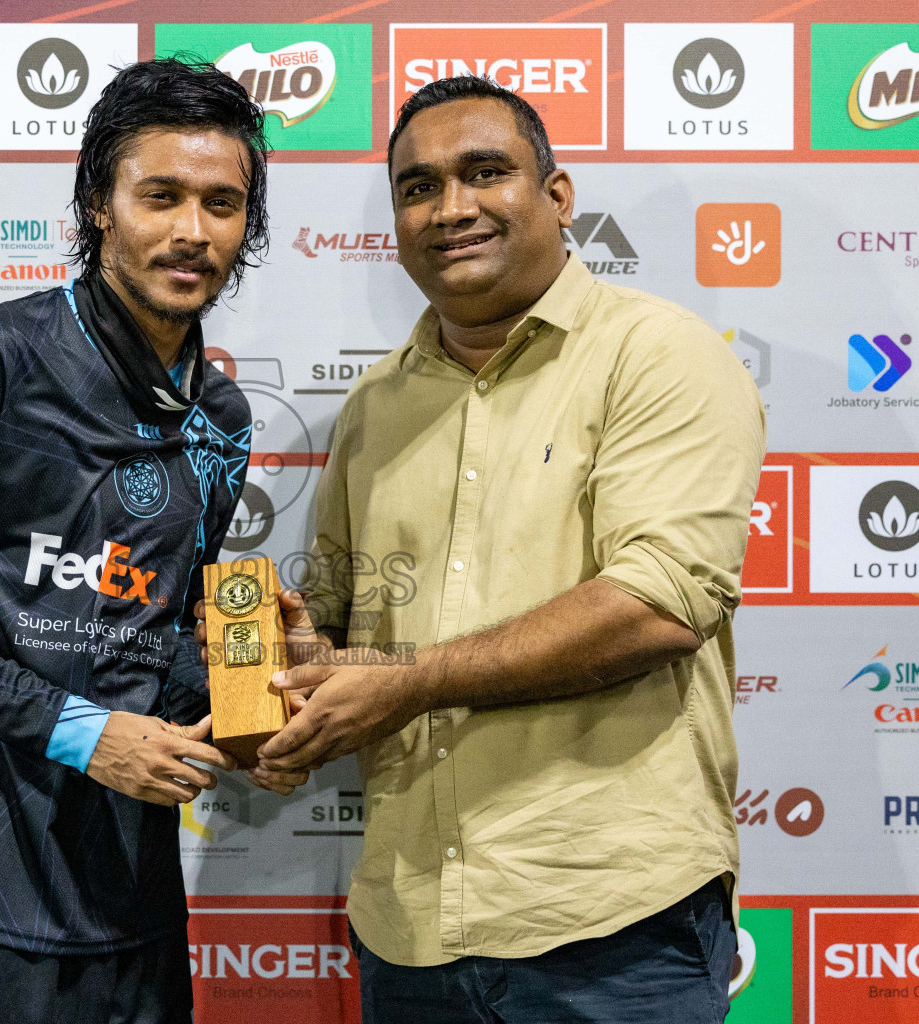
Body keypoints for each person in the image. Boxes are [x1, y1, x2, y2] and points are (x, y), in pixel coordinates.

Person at [256, 75, 767, 1023]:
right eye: (418, 188)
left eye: (485, 173)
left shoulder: (659, 355)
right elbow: (346, 623)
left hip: (612, 928)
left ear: (558, 197)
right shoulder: (374, 407)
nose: (451, 208)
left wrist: (405, 680)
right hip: (408, 930)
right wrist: (300, 686)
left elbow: (658, 607)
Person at [0, 59, 304, 1024]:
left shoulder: (220, 413)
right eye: (159, 196)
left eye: (222, 203)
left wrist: (255, 694)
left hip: (135, 897)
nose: (192, 232)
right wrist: (85, 734)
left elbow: (160, 636)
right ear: (97, 204)